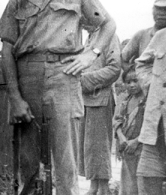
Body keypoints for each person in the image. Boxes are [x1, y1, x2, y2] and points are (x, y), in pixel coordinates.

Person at [0, 0, 116, 194]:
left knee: (66, 166)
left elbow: (108, 24)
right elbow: (6, 50)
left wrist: (92, 53)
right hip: (27, 78)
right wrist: (15, 98)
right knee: (28, 167)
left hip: (64, 76)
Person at [78, 22, 121, 195]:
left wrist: (84, 81)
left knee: (100, 145)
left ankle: (103, 188)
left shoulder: (109, 36)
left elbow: (114, 69)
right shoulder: (88, 38)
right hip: (85, 99)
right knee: (89, 146)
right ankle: (94, 186)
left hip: (101, 98)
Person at [135, 27, 166, 195]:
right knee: (147, 179)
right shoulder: (162, 36)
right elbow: (141, 64)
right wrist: (151, 87)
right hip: (155, 130)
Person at [113, 65, 145, 195]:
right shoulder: (124, 101)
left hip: (142, 147)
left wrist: (136, 141)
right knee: (128, 183)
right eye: (128, 82)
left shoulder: (147, 101)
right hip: (127, 148)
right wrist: (121, 137)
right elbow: (117, 120)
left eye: (135, 81)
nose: (132, 85)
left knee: (142, 183)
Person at [122, 0, 166, 71]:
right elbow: (122, 58)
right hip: (144, 80)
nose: (161, 13)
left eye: (165, 9)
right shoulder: (141, 35)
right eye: (158, 9)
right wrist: (130, 72)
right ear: (153, 11)